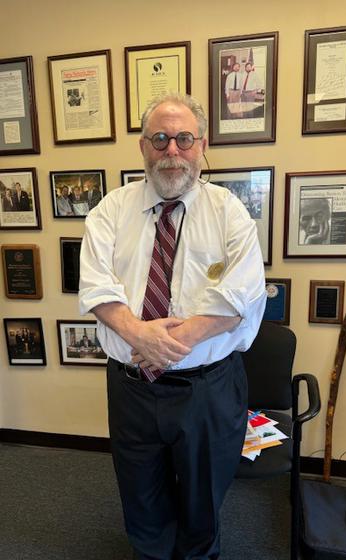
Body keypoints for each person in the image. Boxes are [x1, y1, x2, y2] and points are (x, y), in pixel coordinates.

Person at [79, 92, 266, 560]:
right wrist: (139, 334)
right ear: (143, 146)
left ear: (202, 145)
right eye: (160, 139)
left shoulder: (229, 212)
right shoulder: (110, 211)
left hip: (207, 391)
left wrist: (163, 343)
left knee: (202, 501)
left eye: (184, 139)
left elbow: (240, 298)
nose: (172, 151)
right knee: (141, 497)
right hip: (132, 391)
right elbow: (97, 287)